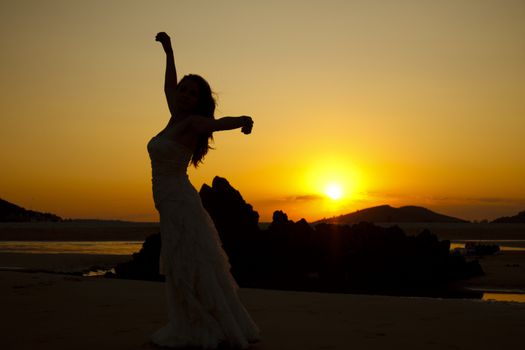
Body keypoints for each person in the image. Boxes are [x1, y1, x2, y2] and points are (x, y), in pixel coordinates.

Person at [147, 32, 261, 348]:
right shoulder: (174, 117)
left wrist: (244, 120)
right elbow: (168, 85)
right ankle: (191, 317)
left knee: (188, 260)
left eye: (191, 93)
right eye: (183, 90)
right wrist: (169, 51)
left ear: (199, 100)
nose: (183, 95)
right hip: (169, 202)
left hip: (179, 202)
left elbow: (219, 123)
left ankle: (199, 322)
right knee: (184, 259)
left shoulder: (194, 123)